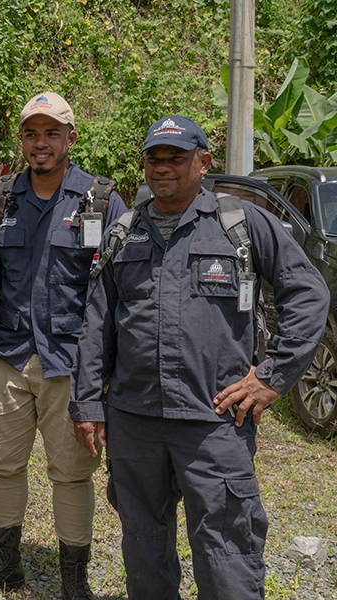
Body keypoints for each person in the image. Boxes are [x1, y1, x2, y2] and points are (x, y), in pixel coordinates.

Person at [71, 116, 328, 599]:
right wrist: (87, 404)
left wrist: (271, 378)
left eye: (176, 158)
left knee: (227, 550)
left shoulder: (240, 223)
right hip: (135, 419)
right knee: (144, 546)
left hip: (215, 421)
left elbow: (309, 293)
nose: (162, 167)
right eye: (154, 158)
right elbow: (96, 322)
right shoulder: (125, 231)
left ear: (203, 162)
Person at [0, 92, 125, 600]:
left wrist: (106, 368)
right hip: (7, 355)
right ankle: (5, 564)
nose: (40, 143)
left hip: (70, 361)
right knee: (2, 463)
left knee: (72, 473)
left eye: (51, 133)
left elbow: (116, 288)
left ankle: (74, 581)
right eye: (31, 133)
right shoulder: (1, 198)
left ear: (70, 139)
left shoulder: (101, 200)